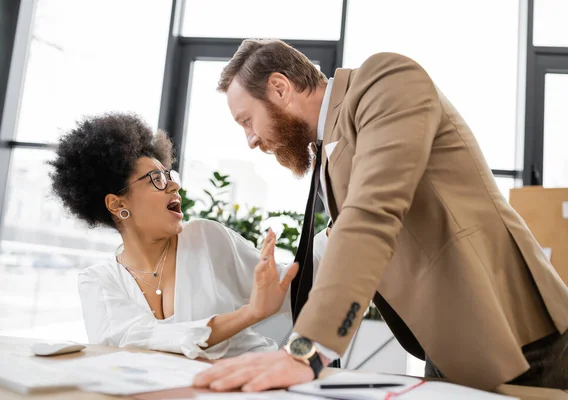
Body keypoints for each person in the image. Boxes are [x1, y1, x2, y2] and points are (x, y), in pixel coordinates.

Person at [193, 39, 568, 391]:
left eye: (246, 120)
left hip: (515, 331)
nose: (251, 139)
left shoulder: (384, 80)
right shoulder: (329, 147)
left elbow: (371, 212)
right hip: (449, 337)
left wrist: (310, 349)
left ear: (279, 88)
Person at [48, 112, 300, 359]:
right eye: (156, 179)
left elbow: (295, 289)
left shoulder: (206, 238)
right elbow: (136, 341)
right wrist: (249, 314)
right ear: (117, 204)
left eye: (169, 175)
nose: (174, 185)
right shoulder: (99, 281)